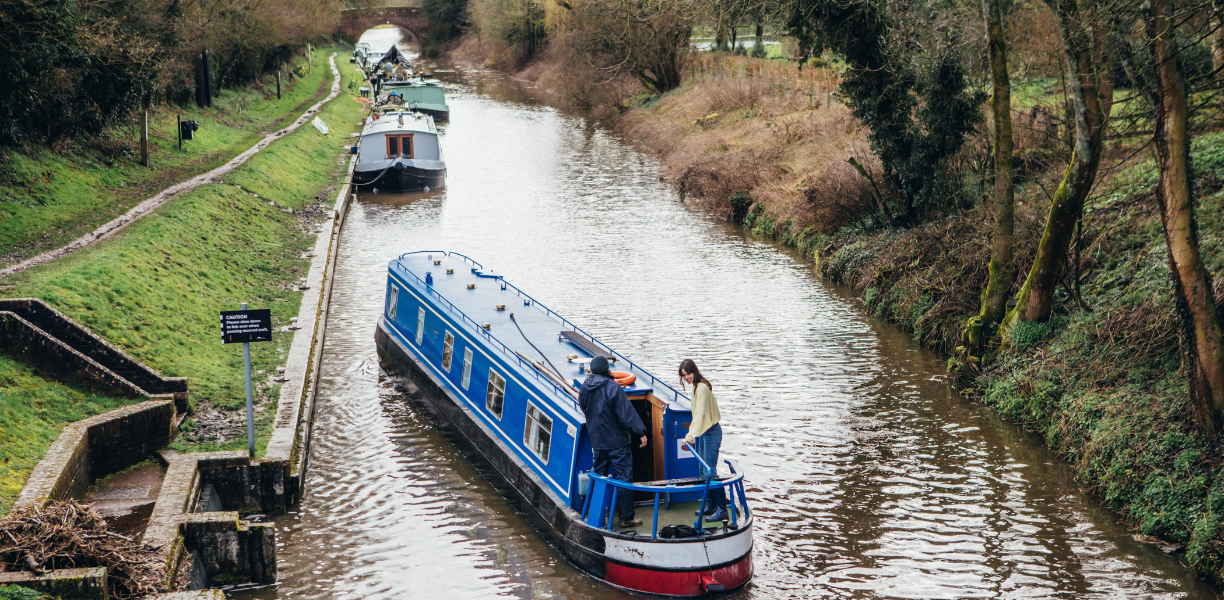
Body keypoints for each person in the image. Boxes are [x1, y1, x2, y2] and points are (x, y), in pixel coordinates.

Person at [579, 355, 647, 528]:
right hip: (618, 443)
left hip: (598, 443)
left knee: (597, 477)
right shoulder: (613, 387)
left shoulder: (585, 388)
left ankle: (595, 514)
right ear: (607, 370)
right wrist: (641, 432)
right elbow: (626, 415)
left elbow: (584, 408)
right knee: (624, 479)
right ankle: (626, 518)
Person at [680, 358, 728, 522]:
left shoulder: (701, 388)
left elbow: (700, 415)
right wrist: (693, 434)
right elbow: (696, 416)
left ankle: (722, 509)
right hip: (704, 433)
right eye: (683, 376)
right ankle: (711, 503)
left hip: (712, 432)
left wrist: (689, 437)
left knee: (710, 471)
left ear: (694, 371)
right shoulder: (695, 387)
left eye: (687, 374)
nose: (686, 378)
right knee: (702, 470)